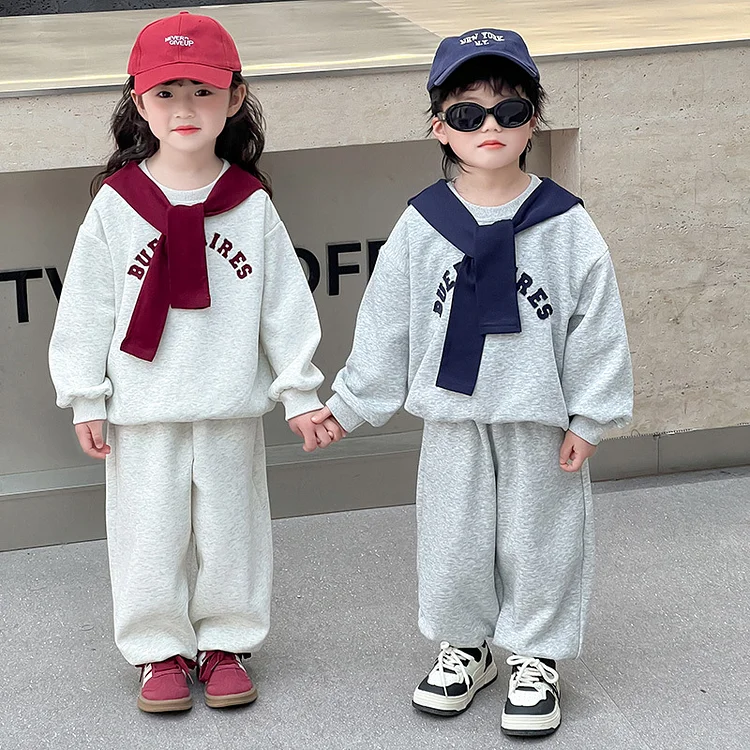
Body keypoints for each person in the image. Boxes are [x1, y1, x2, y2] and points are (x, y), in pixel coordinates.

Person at [312, 28, 633, 737]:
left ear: (533, 121)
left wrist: (591, 416)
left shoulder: (567, 225)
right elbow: (388, 322)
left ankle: (535, 654)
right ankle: (466, 646)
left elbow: (597, 323)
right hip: (452, 420)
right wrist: (350, 404)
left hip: (539, 419)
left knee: (541, 539)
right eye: (467, 112)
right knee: (452, 540)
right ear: (439, 126)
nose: (490, 125)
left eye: (509, 110)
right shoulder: (422, 224)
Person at [49, 11, 342, 713]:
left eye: (203, 92)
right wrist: (86, 395)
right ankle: (159, 651)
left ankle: (227, 642)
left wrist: (299, 390)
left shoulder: (249, 204)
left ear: (234, 98)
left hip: (228, 405)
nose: (184, 109)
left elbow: (283, 304)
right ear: (139, 102)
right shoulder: (118, 206)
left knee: (232, 532)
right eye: (166, 92)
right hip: (141, 409)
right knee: (147, 537)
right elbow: (86, 306)